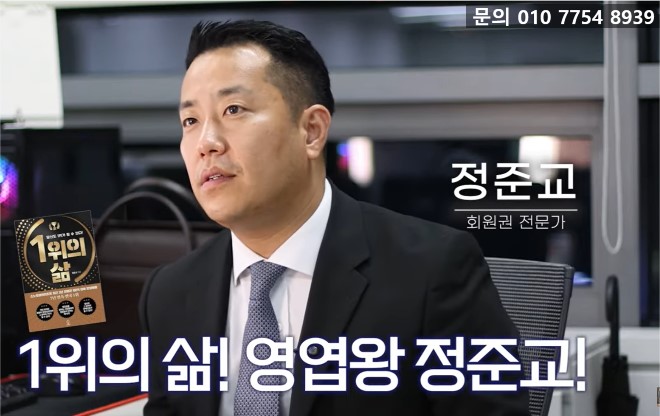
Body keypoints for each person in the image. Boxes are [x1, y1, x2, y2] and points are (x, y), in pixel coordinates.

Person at [139, 20, 529, 416]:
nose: (206, 143)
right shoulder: (170, 293)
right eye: (190, 121)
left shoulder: (432, 271)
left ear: (311, 131)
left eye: (233, 110)